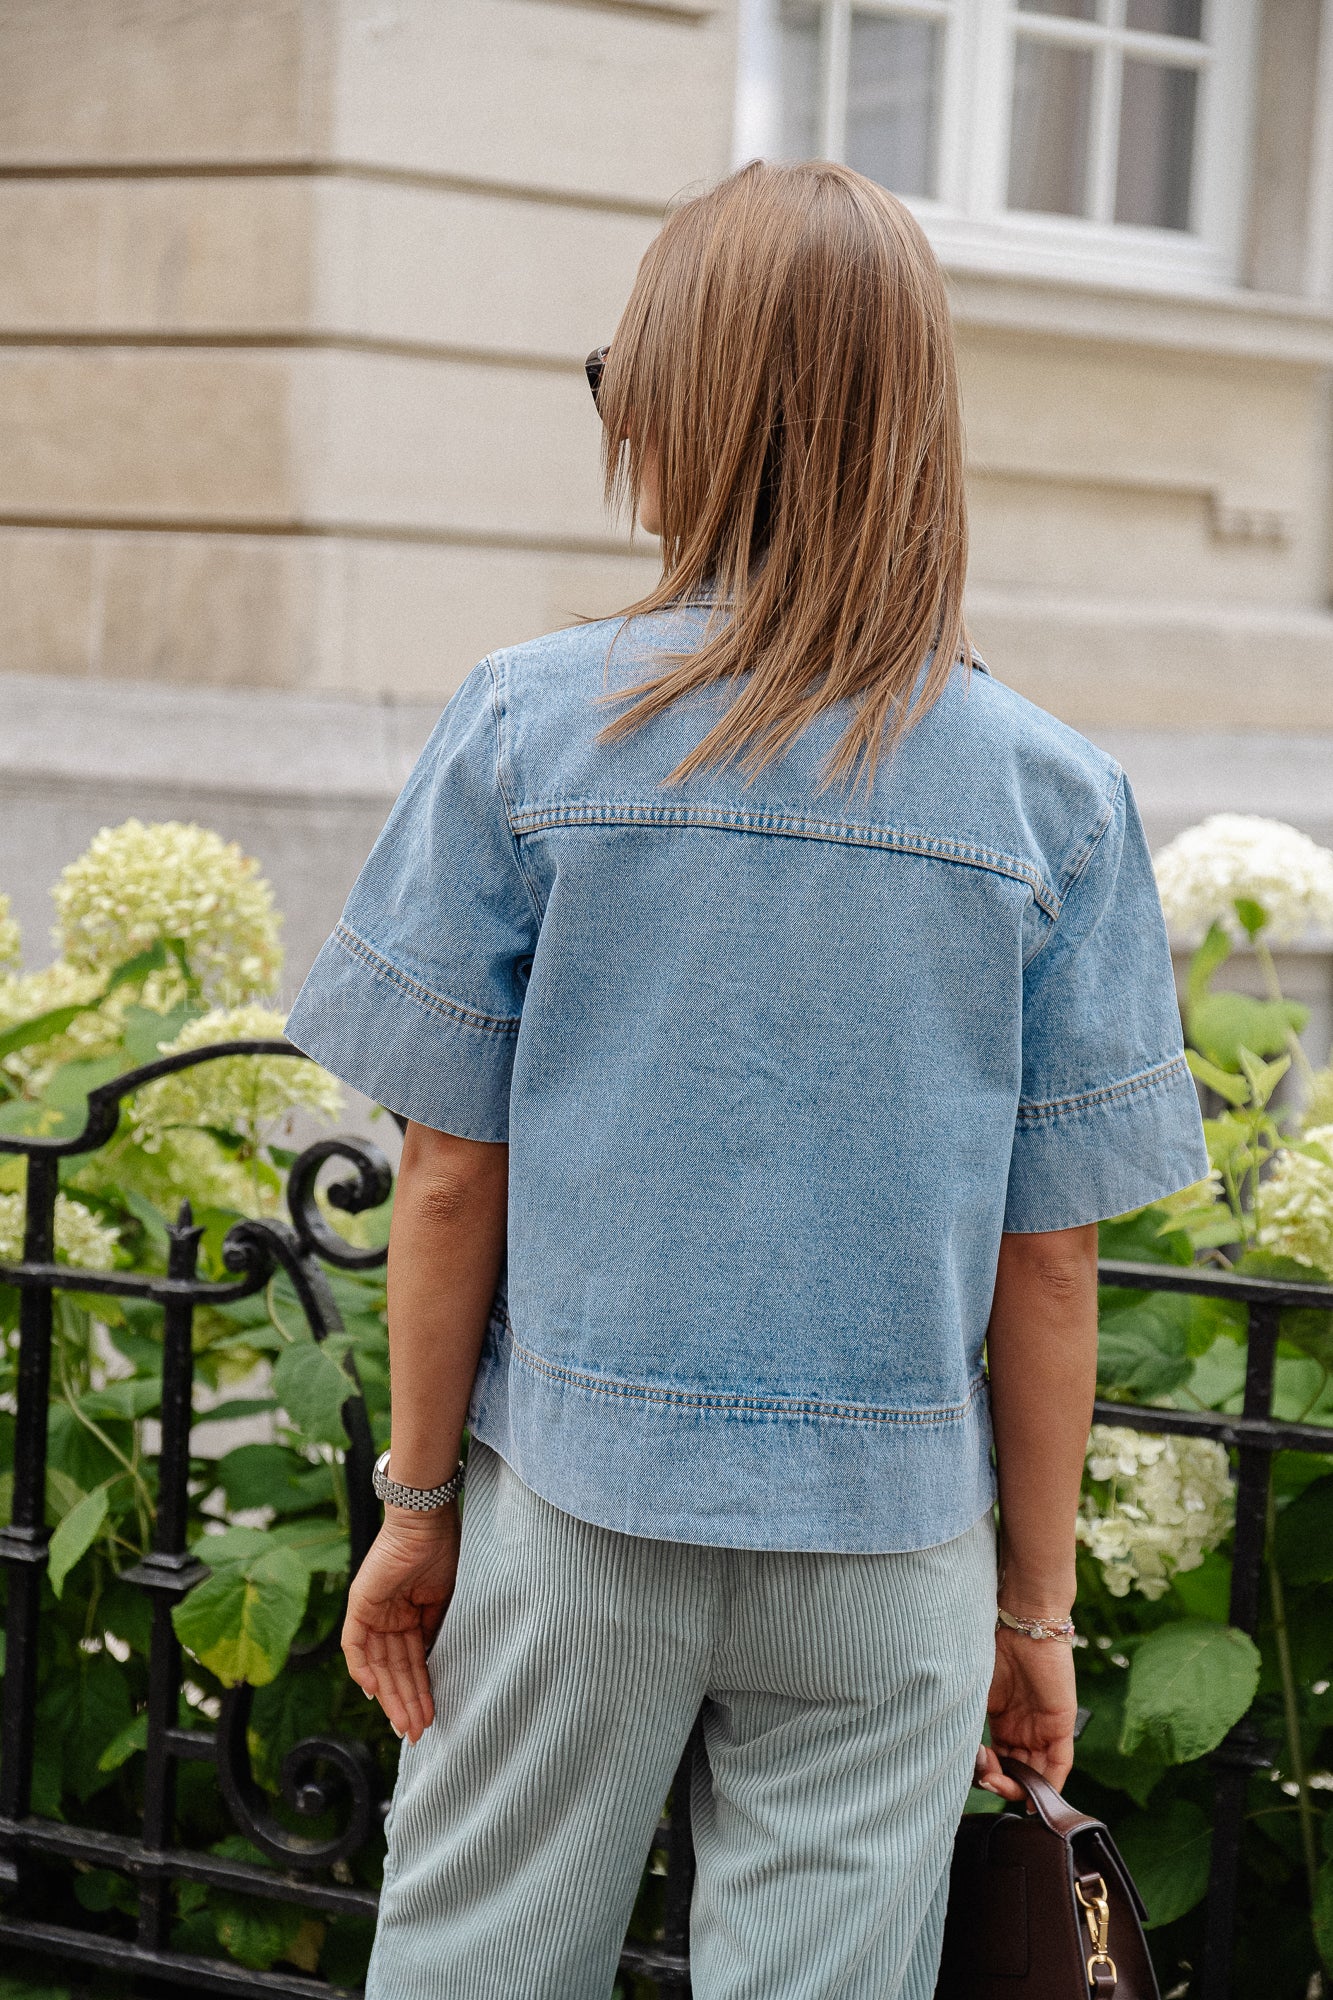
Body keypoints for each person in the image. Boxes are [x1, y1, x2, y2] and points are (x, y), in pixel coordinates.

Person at [284, 160, 1207, 2000]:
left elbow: (449, 1175)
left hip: (581, 1505)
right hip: (887, 1556)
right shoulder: (1052, 798)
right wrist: (1036, 1619)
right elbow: (1051, 1265)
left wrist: (414, 1508)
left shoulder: (529, 728)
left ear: (679, 409)